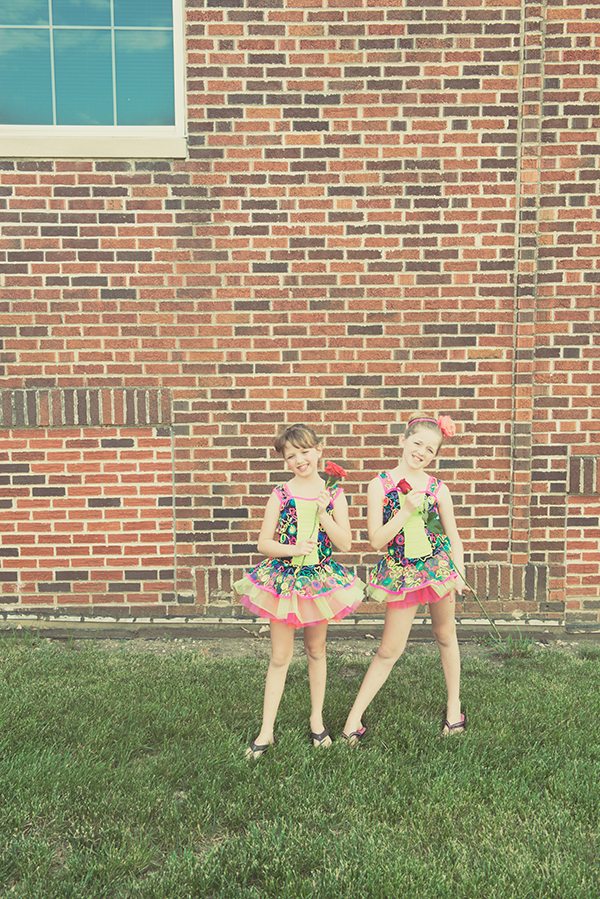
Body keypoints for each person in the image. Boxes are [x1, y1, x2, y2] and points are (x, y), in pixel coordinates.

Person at [234, 423, 364, 759]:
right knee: (280, 656)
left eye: (304, 452)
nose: (299, 460)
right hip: (284, 581)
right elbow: (264, 543)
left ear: (319, 450)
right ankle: (266, 730)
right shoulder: (281, 494)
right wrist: (292, 549)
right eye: (291, 456)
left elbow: (345, 543)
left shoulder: (333, 494)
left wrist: (323, 514)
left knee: (316, 650)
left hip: (318, 582)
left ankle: (316, 720)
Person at [342, 413, 466, 745]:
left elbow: (453, 537)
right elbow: (376, 540)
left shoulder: (437, 488)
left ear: (435, 455)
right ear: (403, 440)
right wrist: (406, 511)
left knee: (445, 635)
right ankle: (353, 718)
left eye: (430, 449)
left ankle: (454, 707)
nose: (421, 452)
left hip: (438, 571)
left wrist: (460, 572)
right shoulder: (380, 485)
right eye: (417, 443)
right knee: (389, 649)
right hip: (401, 574)